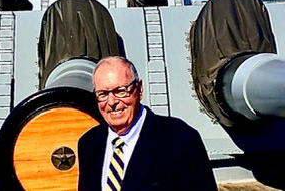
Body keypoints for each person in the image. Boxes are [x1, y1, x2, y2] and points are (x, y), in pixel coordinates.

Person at [78, 56, 218, 191]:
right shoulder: (89, 144)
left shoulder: (180, 139)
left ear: (139, 89)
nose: (112, 102)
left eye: (120, 91)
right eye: (103, 94)